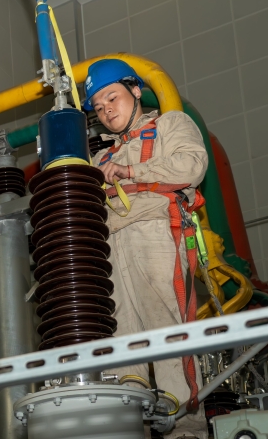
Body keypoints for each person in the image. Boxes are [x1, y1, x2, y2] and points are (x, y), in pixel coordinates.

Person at [84, 59, 209, 439]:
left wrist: (132, 172)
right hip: (109, 245)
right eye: (99, 107)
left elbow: (192, 165)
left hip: (154, 230)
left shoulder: (170, 124)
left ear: (136, 90)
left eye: (112, 98)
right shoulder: (99, 158)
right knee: (119, 336)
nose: (107, 110)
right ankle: (128, 425)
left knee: (166, 327)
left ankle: (185, 427)